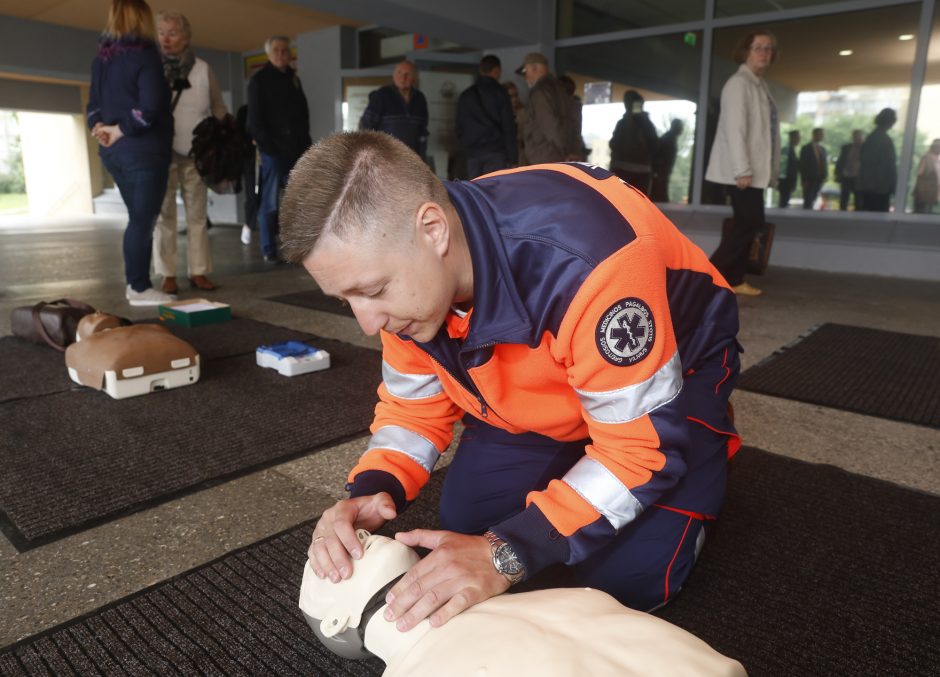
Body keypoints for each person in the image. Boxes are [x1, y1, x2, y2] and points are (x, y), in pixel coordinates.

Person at [279, 130, 741, 633]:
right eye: (346, 300)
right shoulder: (406, 284)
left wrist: (505, 554)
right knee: (464, 526)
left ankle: (702, 440)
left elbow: (636, 452)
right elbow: (413, 408)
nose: (367, 324)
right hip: (539, 387)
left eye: (372, 291)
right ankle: (579, 443)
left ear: (433, 229)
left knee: (618, 587)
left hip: (673, 375)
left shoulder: (590, 261)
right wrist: (371, 488)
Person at [299, 531, 747, 676]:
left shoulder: (562, 597)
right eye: (325, 560)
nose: (347, 539)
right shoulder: (567, 596)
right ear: (336, 622)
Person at [87, 0, 174, 307]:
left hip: (114, 154)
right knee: (142, 220)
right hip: (144, 152)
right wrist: (121, 130)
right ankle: (138, 287)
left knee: (137, 219)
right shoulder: (145, 55)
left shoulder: (102, 60)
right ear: (143, 18)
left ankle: (137, 285)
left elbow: (93, 107)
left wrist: (101, 129)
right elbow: (150, 108)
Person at [152, 10, 226, 294]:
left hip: (197, 154)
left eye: (172, 33)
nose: (165, 39)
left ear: (186, 37)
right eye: (161, 32)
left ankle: (198, 272)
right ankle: (167, 274)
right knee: (164, 216)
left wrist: (220, 134)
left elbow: (218, 105)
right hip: (162, 154)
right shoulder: (152, 69)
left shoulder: (202, 68)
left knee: (197, 217)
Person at [705, 29, 780, 297]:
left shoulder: (759, 86)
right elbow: (734, 131)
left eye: (769, 48)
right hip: (742, 172)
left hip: (753, 171)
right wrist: (742, 169)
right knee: (750, 222)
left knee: (745, 223)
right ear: (745, 51)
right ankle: (709, 277)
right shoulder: (739, 84)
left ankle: (732, 279)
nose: (764, 53)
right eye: (758, 47)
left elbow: (766, 135)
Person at [247, 35, 311, 263]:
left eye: (285, 50)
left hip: (297, 150)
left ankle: (295, 249)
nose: (282, 54)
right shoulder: (259, 81)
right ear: (269, 53)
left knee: (296, 202)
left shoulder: (294, 79)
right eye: (277, 50)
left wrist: (306, 146)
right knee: (270, 202)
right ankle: (269, 249)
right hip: (274, 152)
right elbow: (254, 121)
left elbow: (303, 116)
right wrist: (269, 148)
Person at [455, 55, 517, 179]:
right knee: (493, 190)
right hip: (495, 152)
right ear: (497, 70)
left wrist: (466, 148)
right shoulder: (501, 93)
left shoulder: (466, 95)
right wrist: (513, 157)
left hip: (472, 153)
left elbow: (459, 126)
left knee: (474, 191)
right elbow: (508, 127)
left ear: (480, 70)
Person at [515, 52, 581, 164]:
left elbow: (549, 125)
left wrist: (566, 152)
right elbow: (574, 122)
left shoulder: (540, 92)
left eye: (526, 71)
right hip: (558, 155)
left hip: (545, 156)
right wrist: (572, 151)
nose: (525, 77)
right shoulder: (561, 90)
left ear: (535, 68)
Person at [360, 60, 429, 161]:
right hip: (384, 159)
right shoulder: (382, 95)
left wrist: (422, 159)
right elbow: (366, 127)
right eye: (399, 73)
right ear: (393, 75)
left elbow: (422, 132)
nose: (403, 78)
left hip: (410, 160)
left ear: (414, 78)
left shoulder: (420, 98)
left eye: (407, 74)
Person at [609, 90, 659, 195]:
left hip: (629, 170)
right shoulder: (625, 123)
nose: (627, 105)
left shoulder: (636, 124)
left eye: (628, 102)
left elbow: (614, 144)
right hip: (631, 170)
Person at [858, 108, 898, 213]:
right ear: (890, 121)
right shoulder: (883, 139)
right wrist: (893, 186)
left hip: (870, 187)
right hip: (879, 188)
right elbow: (888, 165)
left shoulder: (872, 137)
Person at [235, 104, 259, 246]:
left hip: (260, 158)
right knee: (252, 194)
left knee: (258, 195)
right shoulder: (244, 111)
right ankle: (248, 224)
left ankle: (250, 224)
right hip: (249, 159)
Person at [650, 119, 684, 203]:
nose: (682, 129)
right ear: (675, 127)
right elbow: (661, 157)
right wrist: (660, 173)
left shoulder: (669, 138)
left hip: (661, 174)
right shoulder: (668, 139)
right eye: (680, 127)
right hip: (660, 174)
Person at [799, 128, 827, 210]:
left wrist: (825, 176)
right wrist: (804, 180)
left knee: (814, 197)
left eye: (822, 135)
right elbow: (802, 165)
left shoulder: (823, 149)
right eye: (820, 134)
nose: (822, 136)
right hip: (809, 178)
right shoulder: (806, 149)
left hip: (819, 178)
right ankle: (805, 216)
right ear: (814, 135)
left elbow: (824, 164)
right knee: (808, 198)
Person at [835, 130, 863, 211]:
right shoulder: (846, 147)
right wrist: (837, 174)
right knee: (844, 198)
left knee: (858, 199)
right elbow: (840, 161)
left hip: (858, 178)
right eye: (855, 136)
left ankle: (858, 216)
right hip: (846, 176)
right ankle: (842, 215)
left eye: (858, 136)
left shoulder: (866, 148)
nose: (857, 138)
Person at [912, 139, 940, 214]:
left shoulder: (936, 160)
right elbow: (919, 174)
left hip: (931, 195)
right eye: (937, 147)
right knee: (921, 215)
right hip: (924, 195)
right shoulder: (926, 158)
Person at [502, 81, 527, 166]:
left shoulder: (523, 112)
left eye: (516, 95)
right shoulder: (501, 115)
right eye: (510, 96)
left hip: (523, 154)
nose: (514, 99)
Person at [777, 129, 800, 208]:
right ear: (792, 138)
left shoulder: (792, 150)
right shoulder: (786, 150)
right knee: (784, 201)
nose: (799, 139)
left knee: (785, 200)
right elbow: (782, 167)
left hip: (789, 181)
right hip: (785, 181)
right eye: (797, 137)